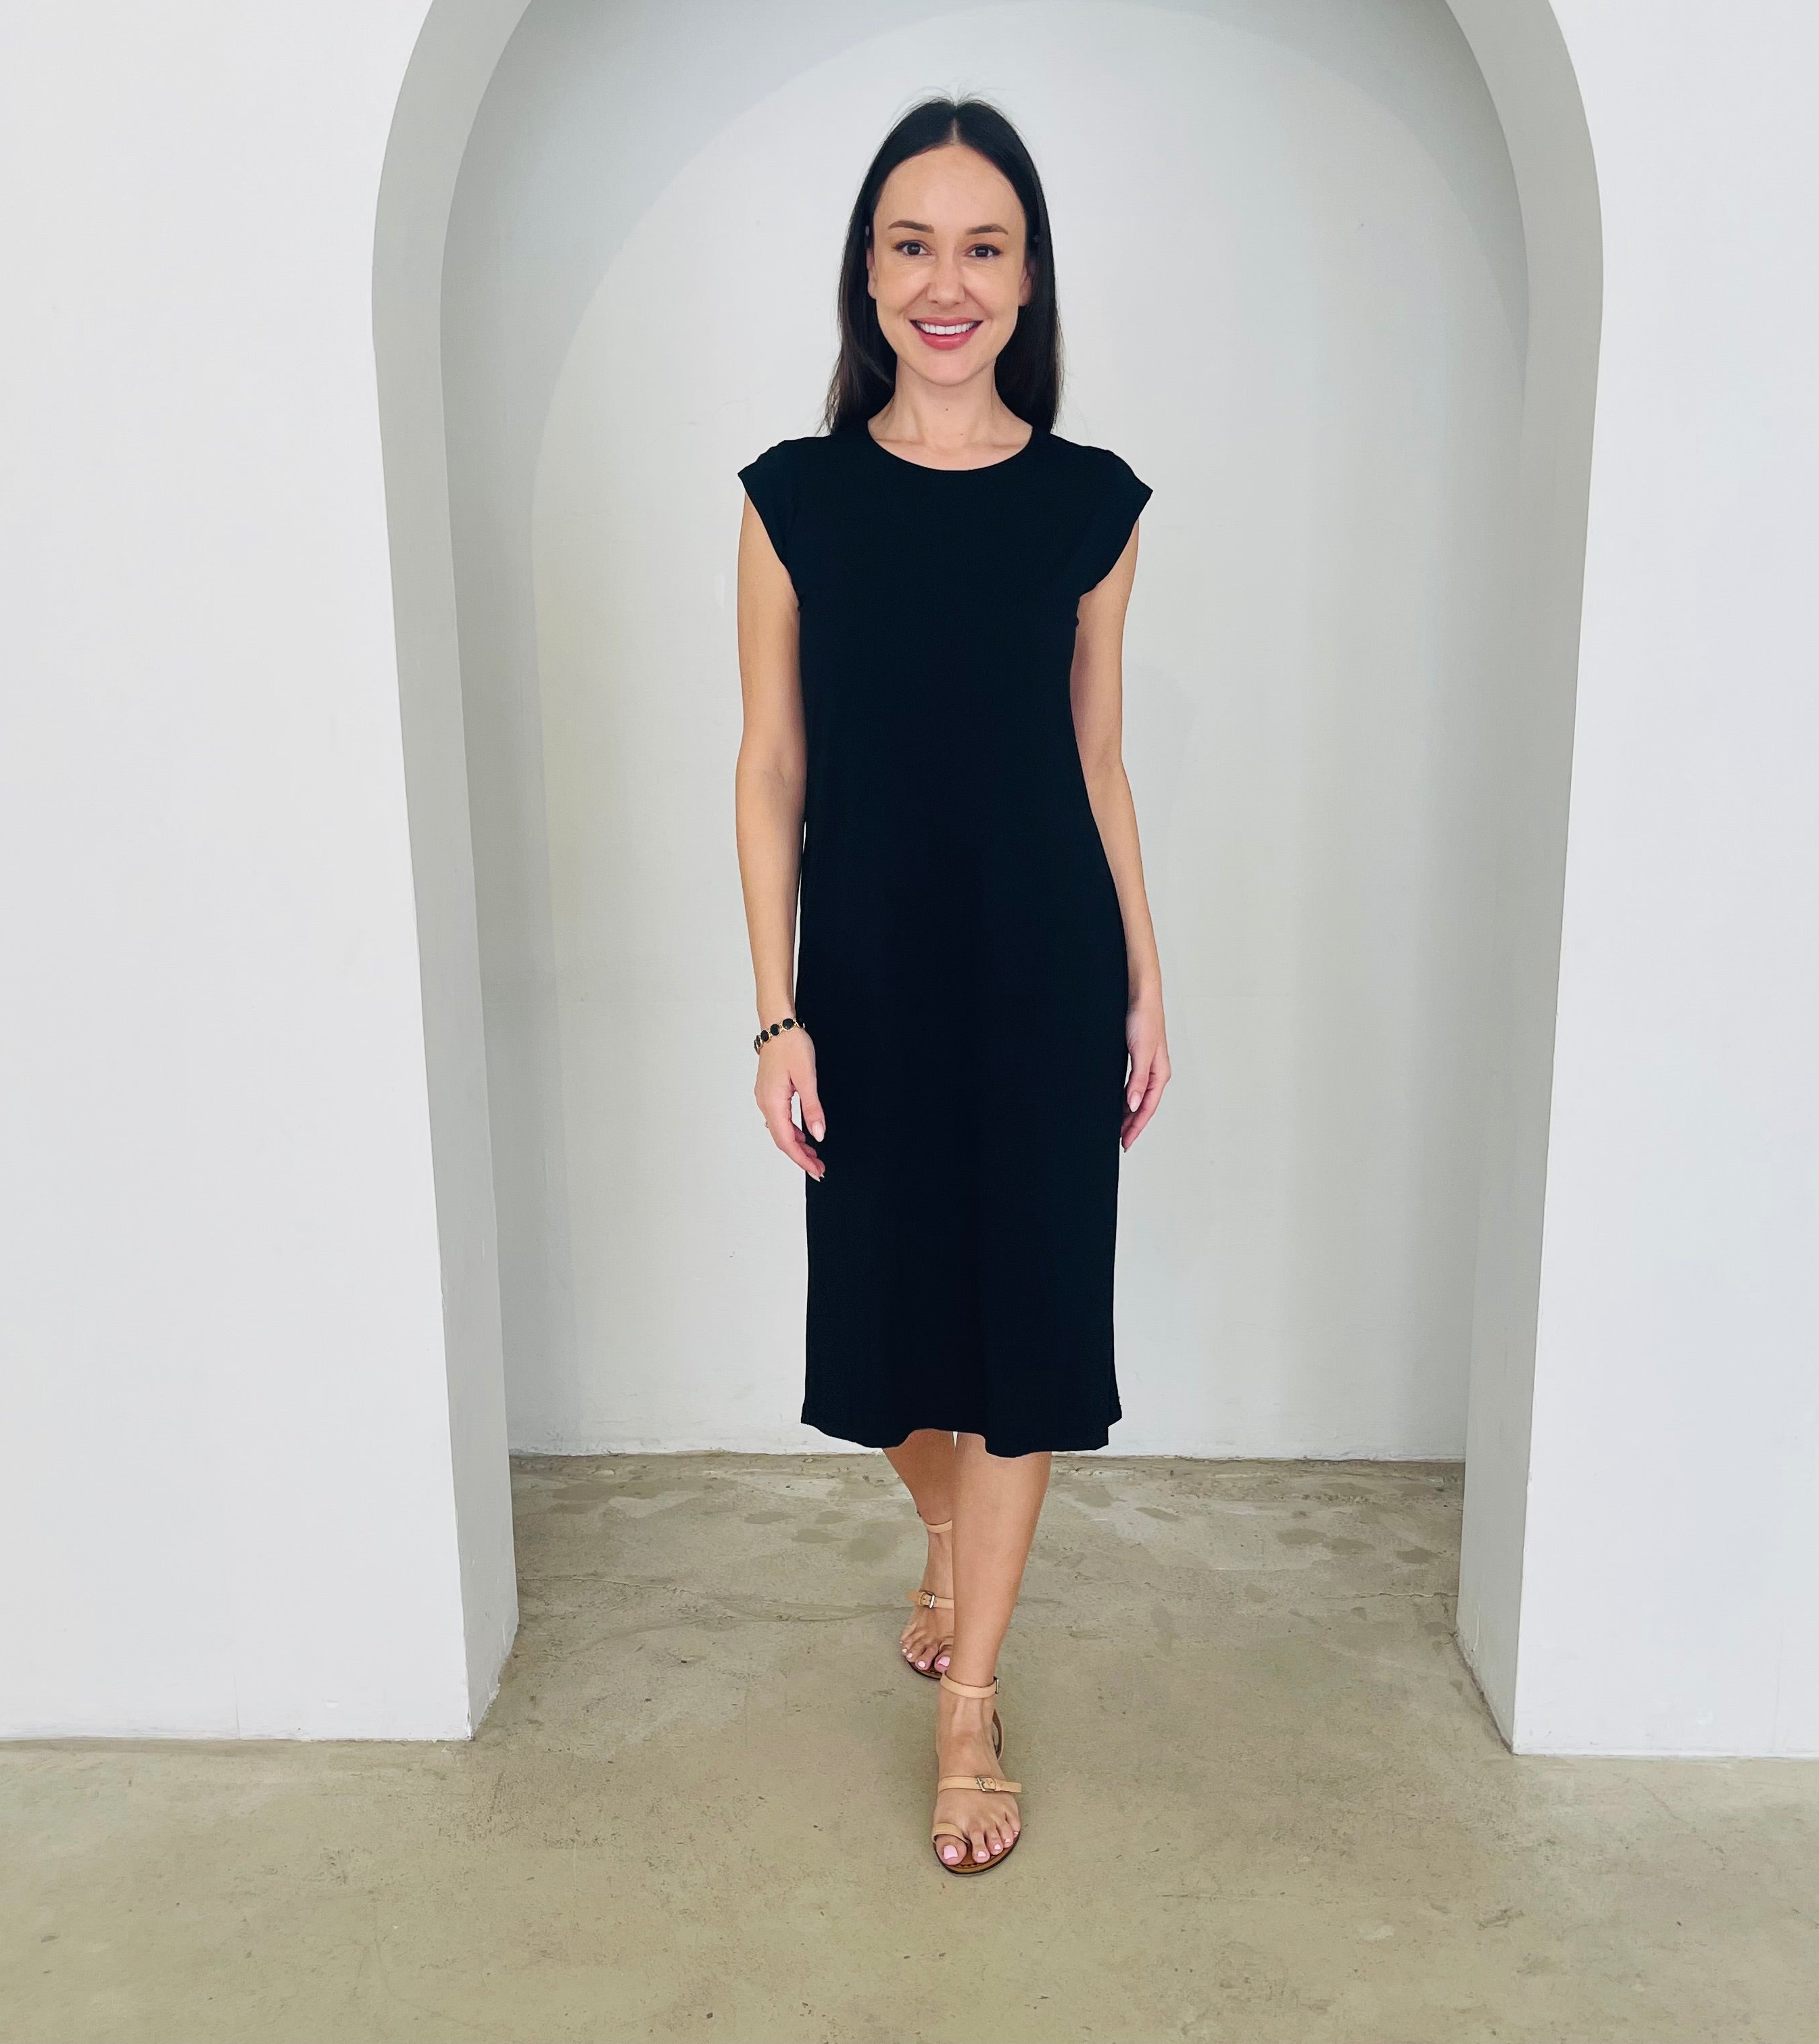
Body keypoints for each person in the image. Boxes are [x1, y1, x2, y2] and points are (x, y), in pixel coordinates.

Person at [733, 95, 1169, 1874]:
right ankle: (944, 1534)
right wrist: (775, 1007)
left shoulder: (1094, 505)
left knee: (1035, 1346)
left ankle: (972, 1710)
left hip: (1050, 973)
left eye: (984, 246)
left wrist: (1148, 978)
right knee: (892, 1347)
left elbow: (1102, 761)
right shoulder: (794, 500)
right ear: (868, 268)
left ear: (1029, 277)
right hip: (875, 984)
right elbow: (769, 765)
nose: (947, 282)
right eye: (913, 243)